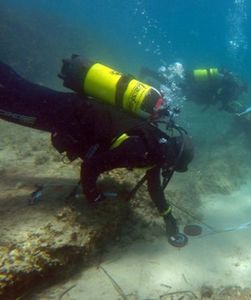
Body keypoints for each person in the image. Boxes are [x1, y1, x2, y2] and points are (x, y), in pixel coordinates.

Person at [0, 59, 194, 247]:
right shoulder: (140, 151)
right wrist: (93, 196)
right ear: (172, 159)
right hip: (68, 115)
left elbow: (155, 189)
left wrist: (169, 218)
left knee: (21, 89)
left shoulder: (157, 145)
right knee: (12, 105)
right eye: (174, 167)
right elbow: (90, 166)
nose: (169, 170)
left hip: (76, 109)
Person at [140, 65, 248, 114]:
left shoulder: (229, 83)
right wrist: (237, 110)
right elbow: (225, 104)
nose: (240, 94)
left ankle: (149, 79)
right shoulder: (231, 88)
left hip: (197, 91)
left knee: (173, 88)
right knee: (173, 89)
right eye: (242, 92)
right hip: (196, 92)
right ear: (241, 89)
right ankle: (149, 77)